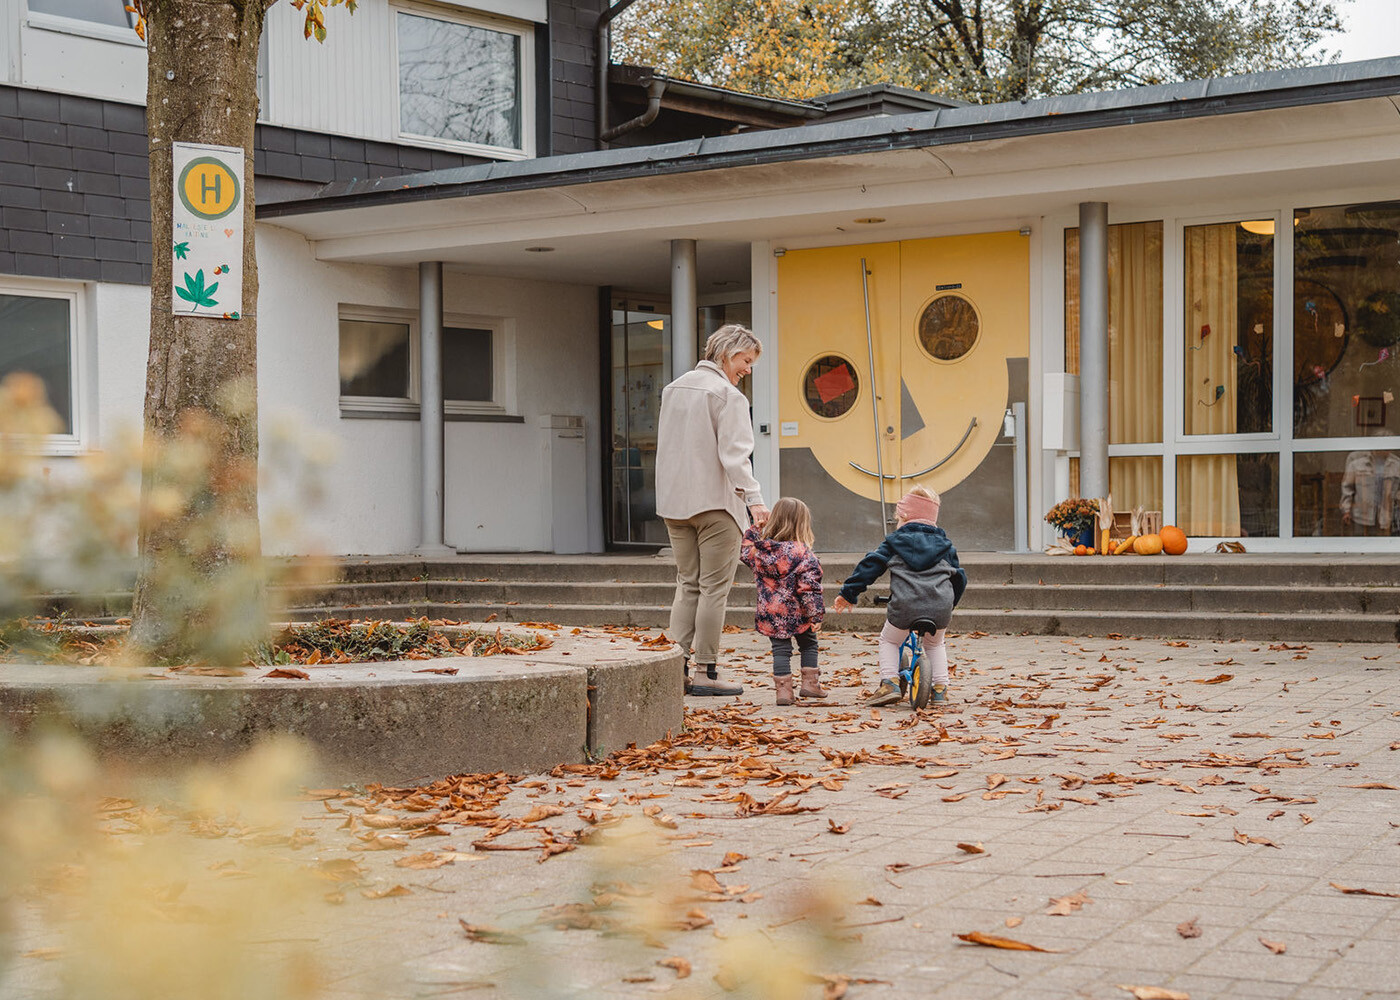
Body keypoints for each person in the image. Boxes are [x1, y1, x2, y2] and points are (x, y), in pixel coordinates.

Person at [656, 323, 769, 696]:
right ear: (725, 353)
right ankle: (705, 671)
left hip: (675, 504)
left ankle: (674, 667)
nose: (748, 370)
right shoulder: (728, 395)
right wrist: (756, 502)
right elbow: (735, 456)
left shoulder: (673, 389)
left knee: (687, 585)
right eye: (745, 360)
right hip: (716, 505)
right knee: (713, 590)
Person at [832, 485, 967, 707]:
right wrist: (950, 604)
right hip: (940, 606)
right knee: (935, 644)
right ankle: (940, 689)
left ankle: (890, 683)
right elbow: (959, 578)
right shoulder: (946, 547)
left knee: (889, 640)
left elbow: (870, 566)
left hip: (905, 606)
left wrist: (849, 593)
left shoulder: (895, 542)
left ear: (903, 516)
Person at [740, 497, 827, 706]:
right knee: (809, 644)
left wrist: (756, 528)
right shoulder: (802, 553)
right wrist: (815, 614)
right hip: (798, 613)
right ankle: (810, 685)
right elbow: (809, 587)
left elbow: (744, 550)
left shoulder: (759, 552)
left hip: (770, 613)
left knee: (780, 650)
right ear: (801, 524)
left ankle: (783, 693)